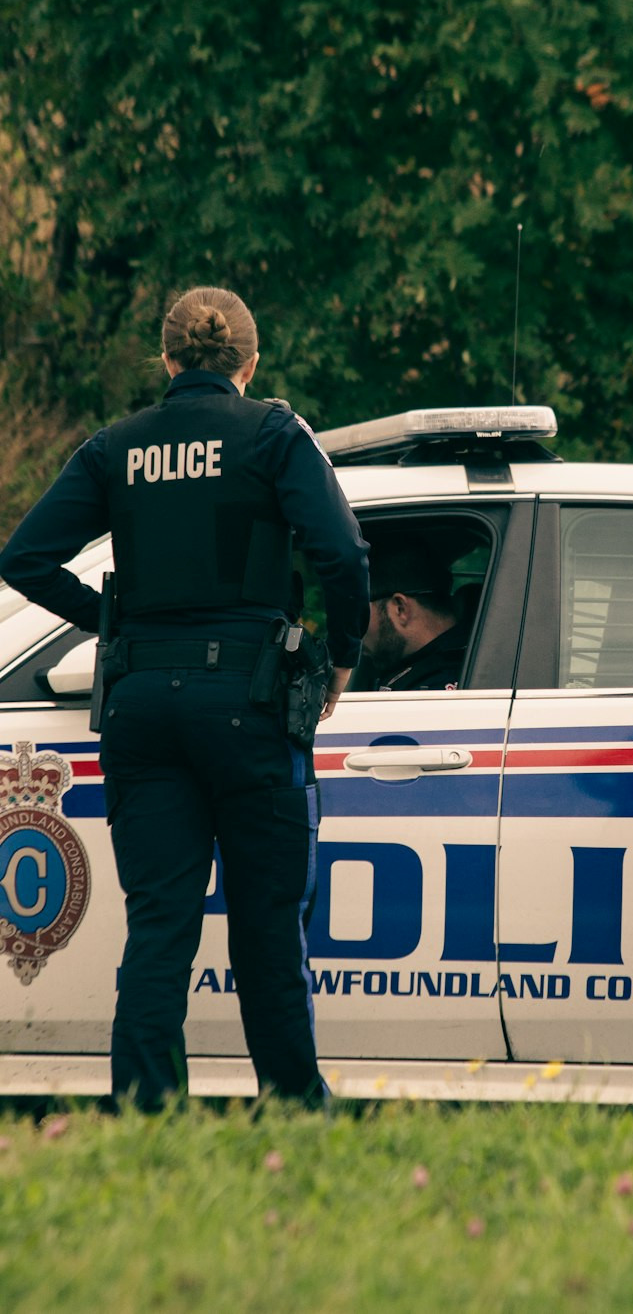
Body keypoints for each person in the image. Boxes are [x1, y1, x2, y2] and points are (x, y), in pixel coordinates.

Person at [0, 287, 369, 1111]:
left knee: (160, 926)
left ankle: (144, 1115)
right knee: (267, 927)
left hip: (142, 709)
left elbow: (23, 558)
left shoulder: (116, 446)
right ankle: (294, 1110)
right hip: (250, 702)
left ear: (165, 360)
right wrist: (339, 659)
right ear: (250, 359)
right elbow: (343, 555)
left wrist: (112, 620)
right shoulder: (274, 433)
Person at [360, 542, 469, 690]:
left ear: (400, 609)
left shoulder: (442, 685)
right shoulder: (426, 663)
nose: (354, 629)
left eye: (358, 611)